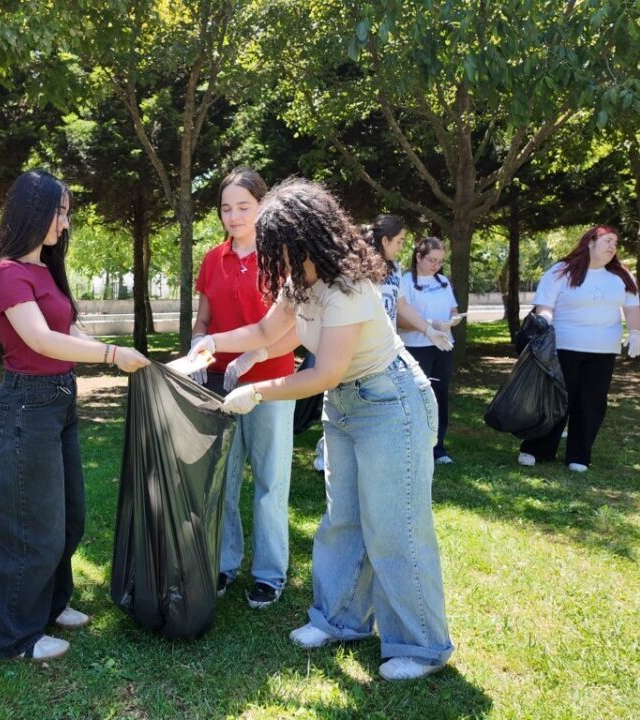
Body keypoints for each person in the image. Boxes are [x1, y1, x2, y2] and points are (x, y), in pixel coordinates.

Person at [184, 180, 453, 681]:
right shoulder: (299, 281)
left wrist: (260, 392)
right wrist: (209, 343)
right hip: (347, 405)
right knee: (342, 519)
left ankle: (421, 646)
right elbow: (267, 332)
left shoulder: (346, 286)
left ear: (302, 238)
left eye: (274, 245)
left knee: (393, 527)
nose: (269, 255)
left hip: (390, 402)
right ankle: (339, 620)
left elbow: (323, 371)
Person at [0, 169, 150, 661]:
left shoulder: (46, 271)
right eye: (59, 211)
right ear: (34, 212)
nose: (64, 223)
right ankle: (18, 637)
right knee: (32, 525)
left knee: (68, 516)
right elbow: (41, 340)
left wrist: (121, 356)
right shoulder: (8, 272)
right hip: (24, 404)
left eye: (67, 212)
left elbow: (72, 332)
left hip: (59, 399)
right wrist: (114, 357)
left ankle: (52, 606)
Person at [189, 168, 295, 609]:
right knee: (223, 481)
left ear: (262, 206)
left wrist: (259, 354)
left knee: (270, 480)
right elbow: (204, 319)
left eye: (243, 207)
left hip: (271, 383)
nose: (233, 217)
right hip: (218, 387)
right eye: (226, 209)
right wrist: (197, 344)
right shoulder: (212, 259)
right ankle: (224, 564)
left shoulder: (283, 257)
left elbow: (299, 328)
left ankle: (270, 574)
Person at [311, 216, 451, 471]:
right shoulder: (356, 265)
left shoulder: (395, 268)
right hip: (353, 347)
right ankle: (327, 450)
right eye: (398, 241)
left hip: (384, 350)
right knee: (343, 401)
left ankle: (382, 457)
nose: (401, 247)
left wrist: (429, 330)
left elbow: (401, 305)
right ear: (384, 239)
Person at [518, 225, 640, 472]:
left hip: (603, 350)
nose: (612, 246)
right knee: (556, 400)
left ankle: (579, 455)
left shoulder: (621, 276)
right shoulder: (562, 271)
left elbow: (632, 309)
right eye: (607, 240)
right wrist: (545, 320)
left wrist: (636, 333)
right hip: (565, 346)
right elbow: (545, 306)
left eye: (615, 243)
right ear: (589, 243)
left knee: (591, 403)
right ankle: (536, 449)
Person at [400, 237, 463, 465]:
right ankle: (414, 446)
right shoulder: (405, 282)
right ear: (418, 256)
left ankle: (438, 448)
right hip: (416, 347)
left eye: (440, 261)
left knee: (440, 396)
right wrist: (429, 324)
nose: (436, 265)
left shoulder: (443, 281)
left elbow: (452, 309)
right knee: (417, 397)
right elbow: (399, 320)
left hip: (443, 345)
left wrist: (452, 321)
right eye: (432, 260)